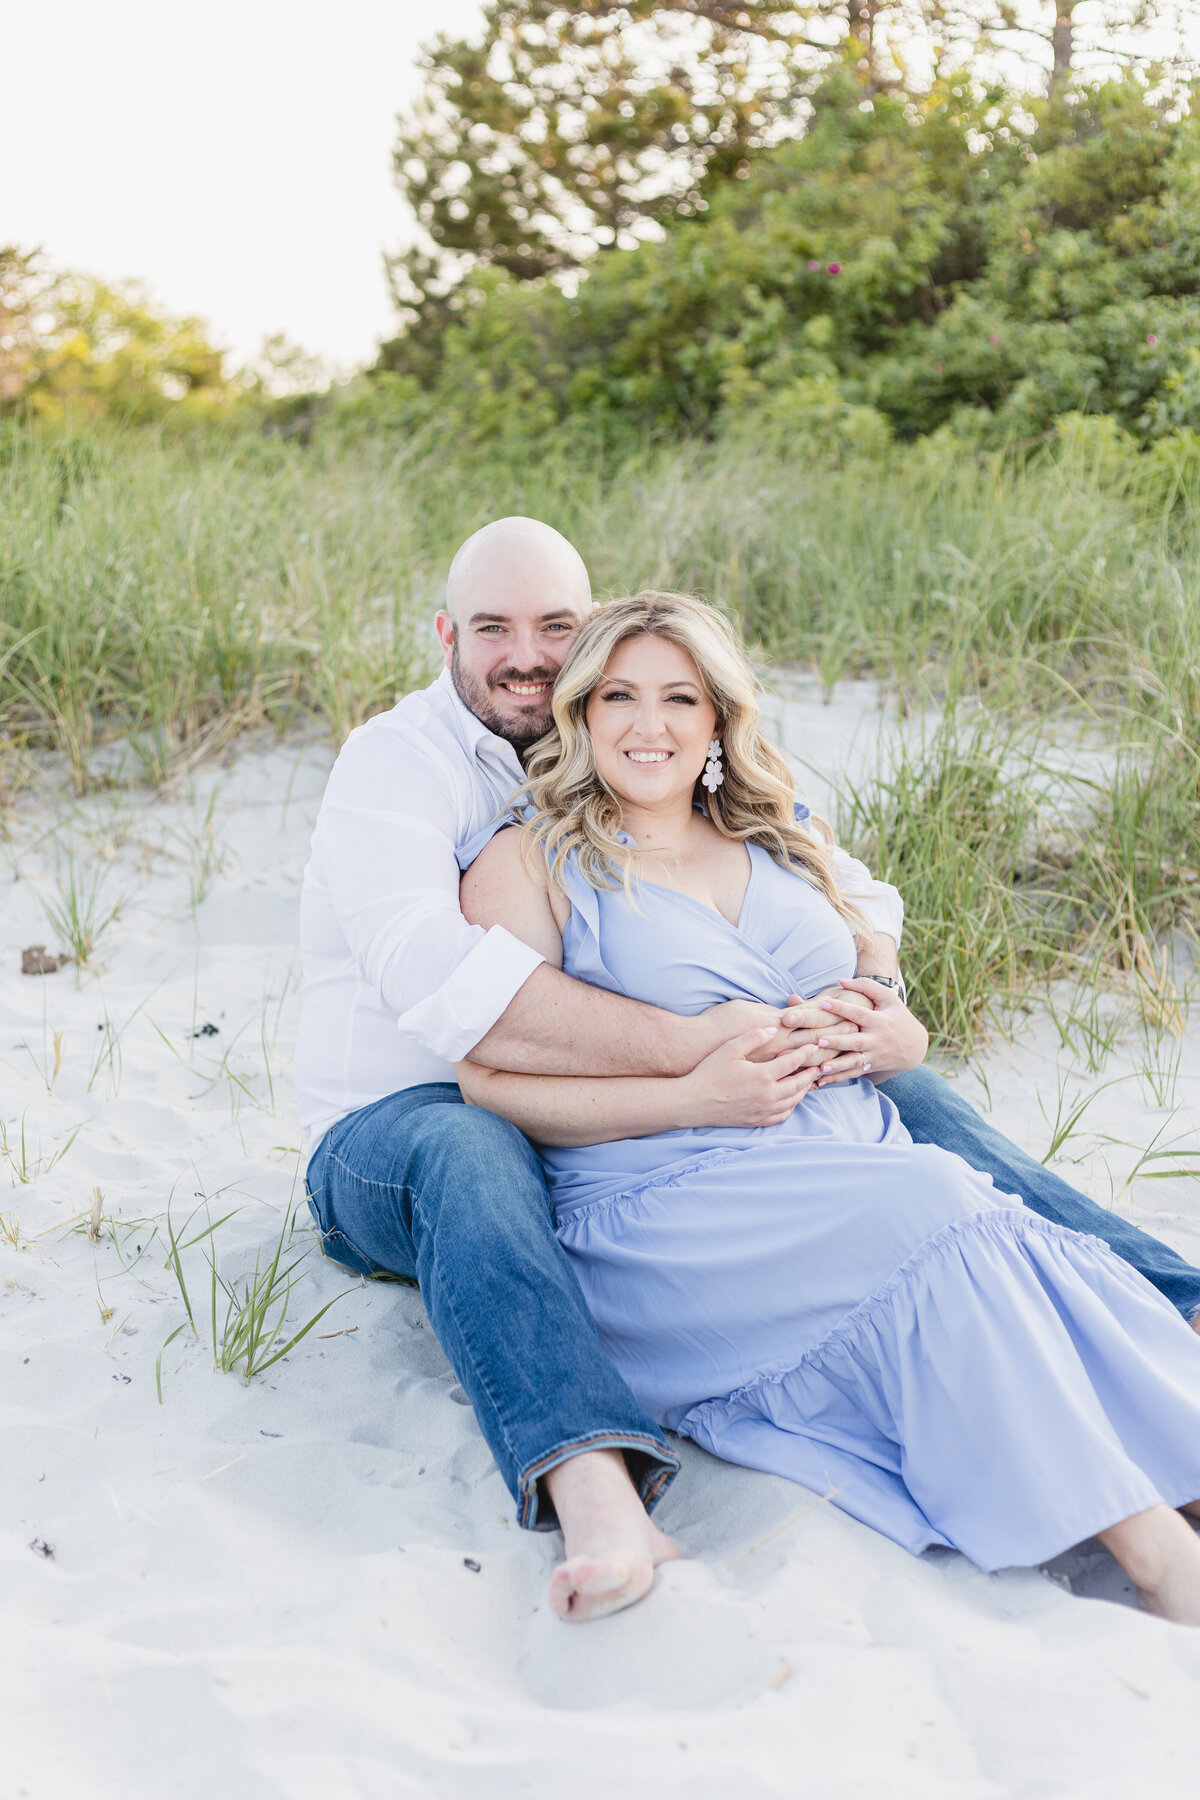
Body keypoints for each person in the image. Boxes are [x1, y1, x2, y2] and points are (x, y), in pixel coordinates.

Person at [297, 517, 1200, 1624]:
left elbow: (863, 908)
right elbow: (447, 998)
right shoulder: (417, 775)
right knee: (473, 1154)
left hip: (790, 1138)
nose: (528, 656)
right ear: (451, 637)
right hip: (411, 1125)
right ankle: (594, 1486)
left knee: (939, 1157)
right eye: (496, 629)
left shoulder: (754, 819)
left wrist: (890, 1020)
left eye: (561, 633)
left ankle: (1174, 1332)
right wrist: (696, 1062)